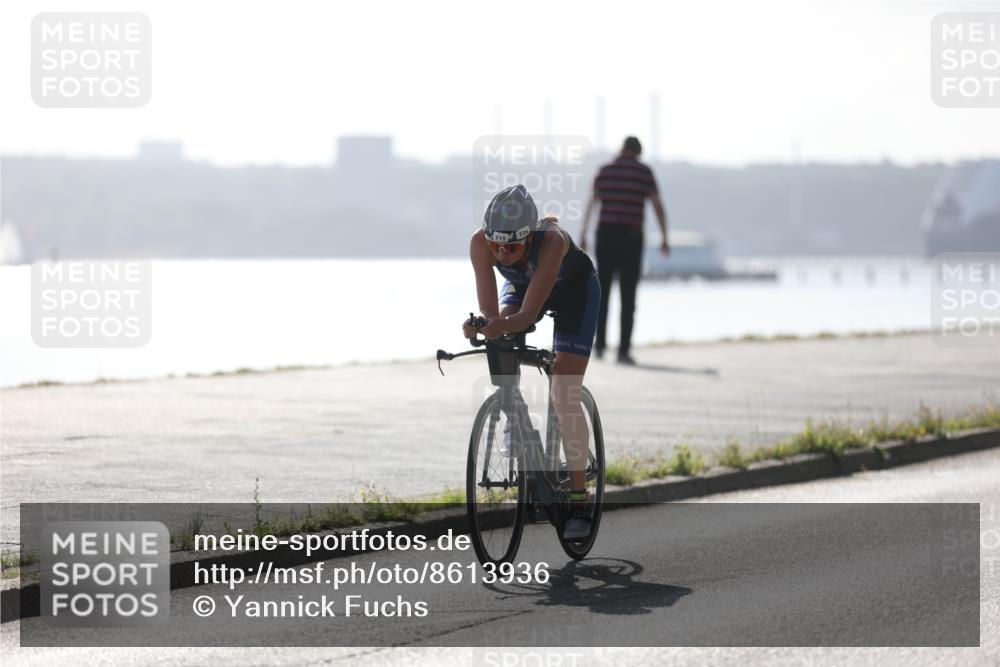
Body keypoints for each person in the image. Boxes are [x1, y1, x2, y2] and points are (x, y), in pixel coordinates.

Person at [463, 184, 601, 540]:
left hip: (574, 293)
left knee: (564, 394)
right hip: (524, 289)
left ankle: (578, 499)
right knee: (500, 339)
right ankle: (514, 419)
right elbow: (493, 314)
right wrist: (481, 325)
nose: (503, 254)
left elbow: (526, 316)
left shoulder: (552, 241)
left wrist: (500, 326)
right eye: (497, 247)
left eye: (512, 247)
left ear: (529, 236)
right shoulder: (480, 243)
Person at [581, 136, 669, 364]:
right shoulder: (644, 172)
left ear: (621, 149)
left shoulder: (605, 170)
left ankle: (599, 346)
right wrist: (664, 237)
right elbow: (657, 205)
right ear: (638, 151)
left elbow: (592, 202)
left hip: (605, 236)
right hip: (631, 238)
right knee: (628, 295)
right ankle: (623, 350)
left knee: (603, 292)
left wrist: (584, 232)